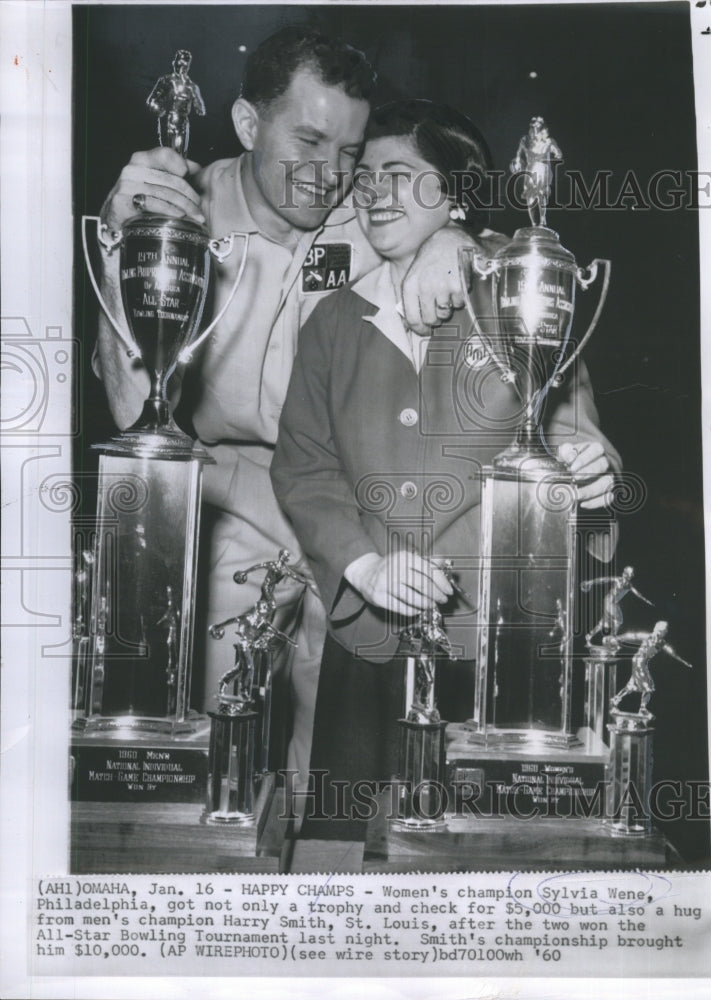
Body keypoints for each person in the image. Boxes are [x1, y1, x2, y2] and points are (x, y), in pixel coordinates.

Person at [92, 30, 489, 789]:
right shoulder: (178, 213)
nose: (330, 176)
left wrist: (460, 242)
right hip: (215, 492)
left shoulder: (364, 212)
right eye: (307, 140)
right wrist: (120, 247)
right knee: (208, 709)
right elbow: (127, 412)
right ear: (248, 125)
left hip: (344, 500)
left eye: (348, 150)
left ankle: (325, 877)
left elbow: (479, 234)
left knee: (351, 748)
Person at [271, 99, 621, 839]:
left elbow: (575, 434)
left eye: (399, 175)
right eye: (363, 177)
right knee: (344, 843)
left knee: (480, 849)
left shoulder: (523, 299)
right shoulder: (332, 322)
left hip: (498, 640)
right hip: (365, 636)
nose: (372, 194)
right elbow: (304, 467)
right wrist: (360, 564)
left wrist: (594, 479)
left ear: (455, 191)